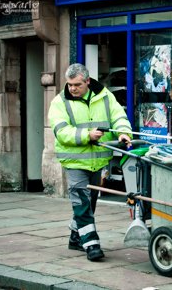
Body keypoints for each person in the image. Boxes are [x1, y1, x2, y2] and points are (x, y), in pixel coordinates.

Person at [48, 63, 132, 261]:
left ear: (87, 81)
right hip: (75, 161)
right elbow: (61, 132)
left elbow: (118, 116)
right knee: (82, 201)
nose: (72, 89)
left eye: (77, 84)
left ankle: (75, 237)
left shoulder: (104, 95)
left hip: (99, 160)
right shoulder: (59, 102)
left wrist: (123, 133)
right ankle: (91, 243)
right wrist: (87, 135)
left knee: (90, 200)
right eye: (69, 85)